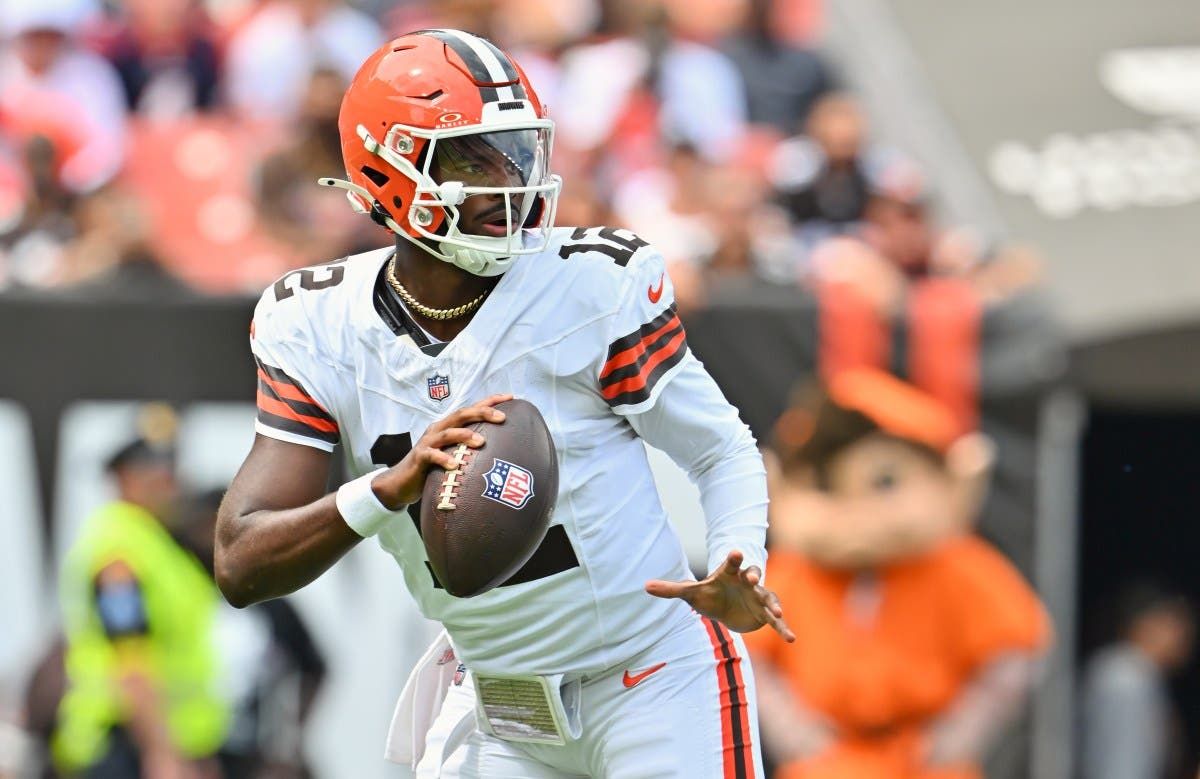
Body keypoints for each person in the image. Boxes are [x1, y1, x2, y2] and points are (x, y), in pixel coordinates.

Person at [215, 29, 791, 779]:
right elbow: (241, 561)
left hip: (653, 677)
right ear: (386, 171)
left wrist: (739, 557)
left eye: (516, 152)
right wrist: (386, 490)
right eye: (470, 159)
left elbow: (719, 446)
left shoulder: (590, 285)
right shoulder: (317, 323)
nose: (508, 182)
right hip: (500, 702)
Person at [748, 370, 1051, 778]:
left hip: (924, 762)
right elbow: (748, 653)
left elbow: (1018, 649)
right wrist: (793, 730)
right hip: (826, 764)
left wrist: (961, 733)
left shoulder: (956, 566)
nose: (855, 506)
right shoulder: (795, 572)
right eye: (825, 482)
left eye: (883, 481)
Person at [54, 436, 228, 777]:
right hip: (125, 746)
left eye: (171, 473)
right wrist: (160, 754)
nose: (170, 485)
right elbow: (131, 660)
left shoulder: (160, 542)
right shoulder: (119, 550)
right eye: (157, 475)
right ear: (124, 479)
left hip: (170, 741)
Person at [1080, 583, 1195, 779]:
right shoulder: (1123, 677)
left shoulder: (1142, 675)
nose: (1186, 638)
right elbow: (1120, 763)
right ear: (1147, 625)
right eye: (1176, 627)